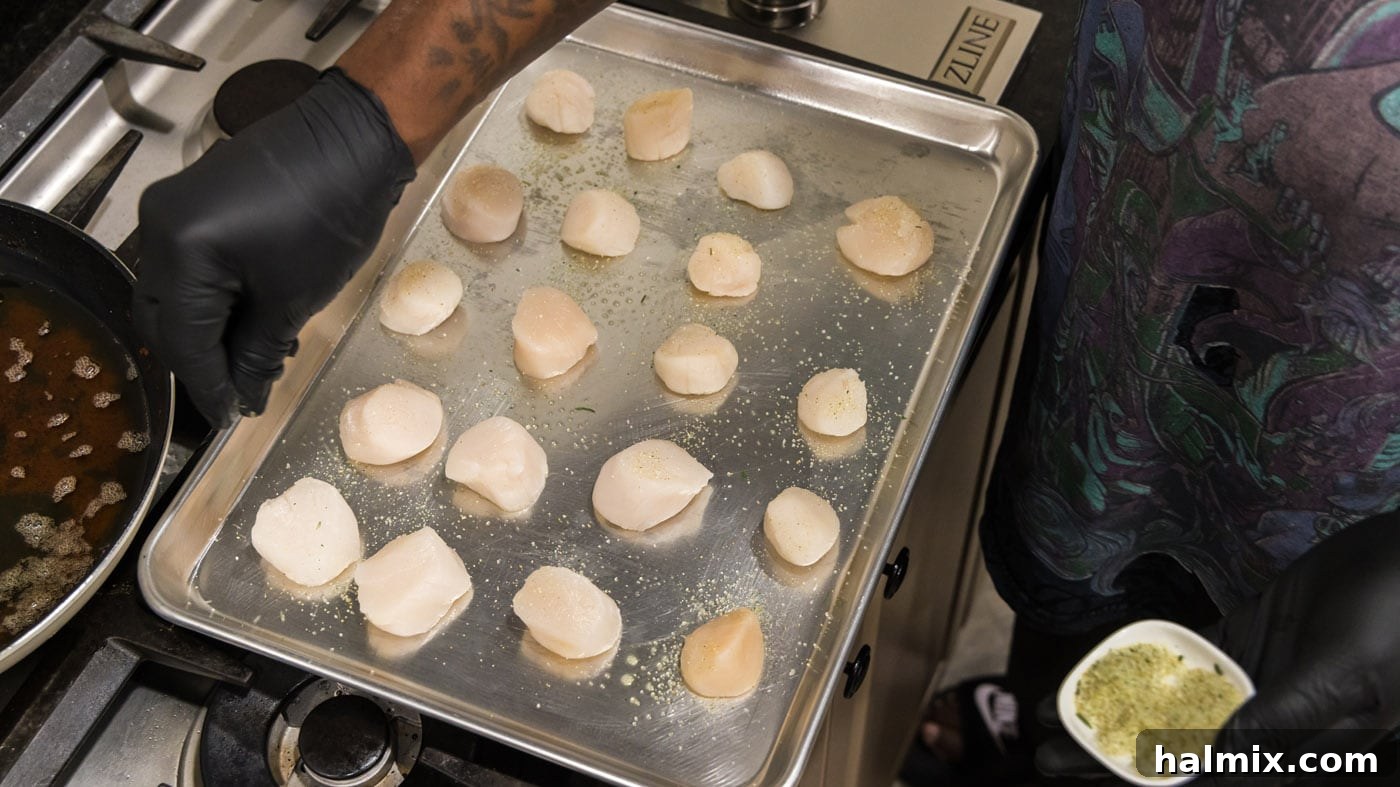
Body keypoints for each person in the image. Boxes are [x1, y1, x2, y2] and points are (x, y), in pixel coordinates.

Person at [136, 0, 1400, 783]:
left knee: (1309, 747)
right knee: (1102, 593)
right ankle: (1049, 731)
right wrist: (376, 110)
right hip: (1158, 209)